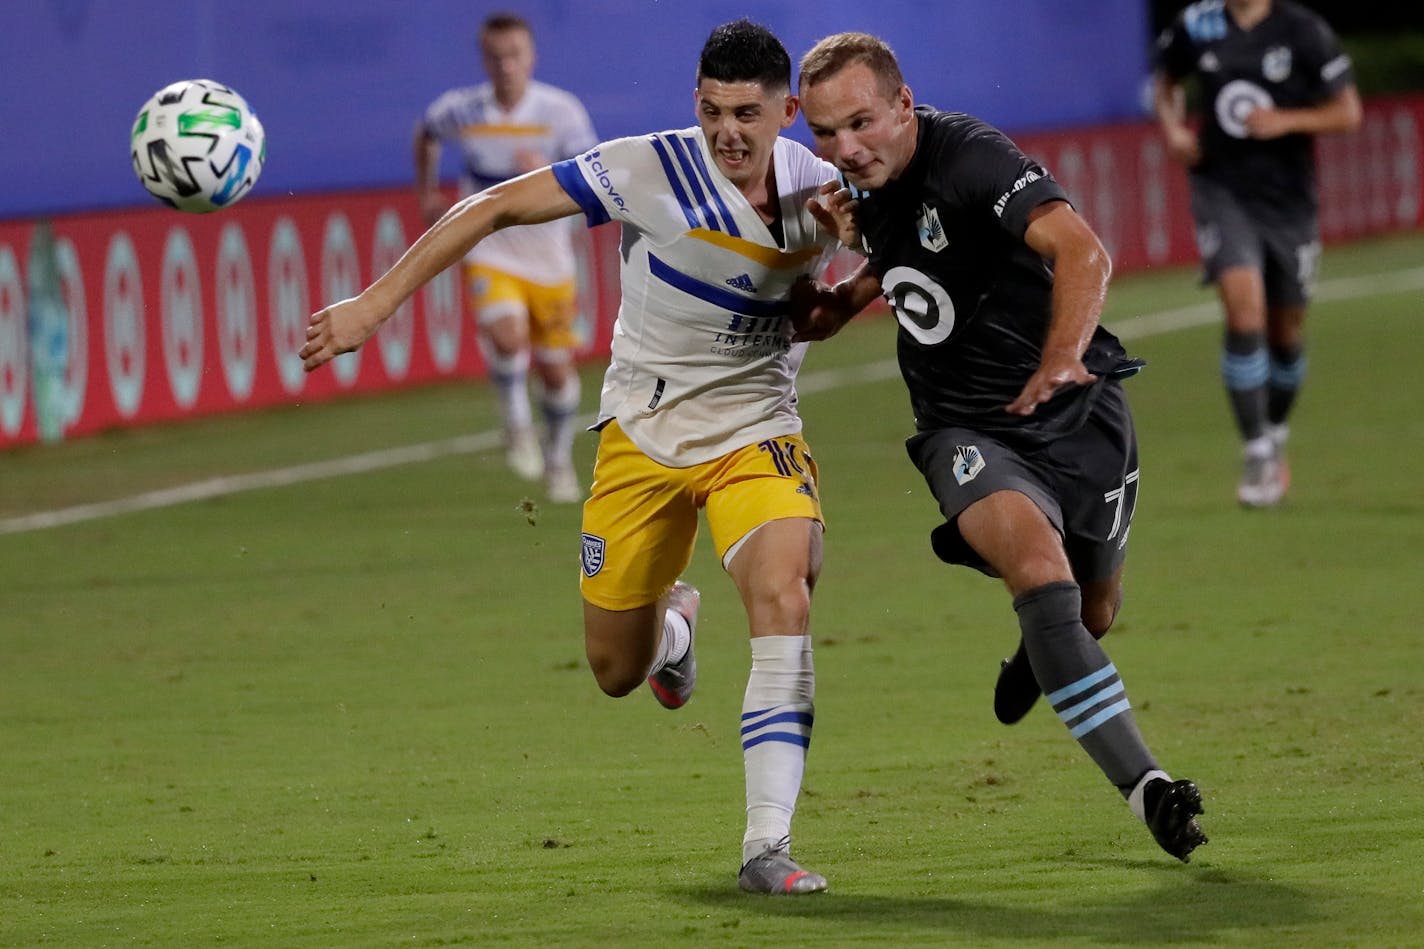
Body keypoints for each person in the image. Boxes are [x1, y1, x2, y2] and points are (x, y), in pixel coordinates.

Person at [304, 19, 843, 894]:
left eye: (749, 112)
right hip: (642, 431)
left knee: (785, 590)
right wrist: (375, 302)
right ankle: (672, 630)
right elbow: (492, 206)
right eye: (713, 110)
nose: (729, 132)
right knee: (614, 670)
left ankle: (765, 847)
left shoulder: (826, 188)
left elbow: (908, 256)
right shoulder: (647, 168)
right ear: (694, 104)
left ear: (787, 110)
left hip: (756, 428)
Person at [793, 32, 1208, 862]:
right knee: (1041, 574)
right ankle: (1148, 787)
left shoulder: (975, 156)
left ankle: (1042, 646)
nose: (845, 148)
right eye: (825, 134)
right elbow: (911, 251)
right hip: (964, 427)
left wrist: (1061, 357)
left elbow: (1082, 249)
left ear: (904, 106)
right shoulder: (860, 185)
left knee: (1093, 613)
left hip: (1074, 411)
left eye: (861, 123)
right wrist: (846, 298)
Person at [1152, 0, 1361, 508]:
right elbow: (1166, 81)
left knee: (1285, 333)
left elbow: (1347, 112)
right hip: (1221, 190)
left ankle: (1275, 430)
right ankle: (1257, 448)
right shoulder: (1198, 23)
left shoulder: (1302, 29)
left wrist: (1286, 120)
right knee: (1243, 310)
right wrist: (1175, 129)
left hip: (1288, 201)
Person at [415, 12, 599, 502]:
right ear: (484, 60)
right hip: (490, 248)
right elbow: (426, 133)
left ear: (531, 57)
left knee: (557, 370)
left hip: (550, 257)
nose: (505, 66)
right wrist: (428, 192)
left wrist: (550, 171)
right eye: (495, 57)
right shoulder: (465, 110)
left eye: (514, 55)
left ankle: (558, 458)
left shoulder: (560, 111)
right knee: (507, 335)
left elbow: (595, 174)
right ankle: (516, 425)